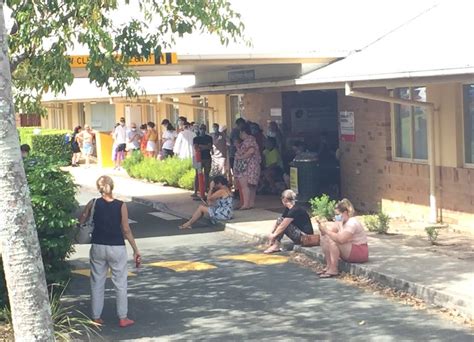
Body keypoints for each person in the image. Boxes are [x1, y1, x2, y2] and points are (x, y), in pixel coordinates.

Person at [79, 175, 140, 327]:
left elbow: (83, 219)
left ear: (99, 187)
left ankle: (96, 316)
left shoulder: (93, 203)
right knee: (120, 283)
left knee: (97, 281)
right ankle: (123, 317)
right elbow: (126, 229)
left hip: (98, 246)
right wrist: (135, 249)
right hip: (117, 247)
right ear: (112, 186)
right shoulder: (121, 205)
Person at [318, 199, 369, 278]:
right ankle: (329, 266)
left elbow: (341, 239)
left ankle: (334, 269)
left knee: (334, 241)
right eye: (335, 215)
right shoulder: (340, 222)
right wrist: (323, 230)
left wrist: (327, 231)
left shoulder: (352, 222)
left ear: (345, 213)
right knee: (325, 238)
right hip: (349, 249)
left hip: (359, 251)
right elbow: (330, 233)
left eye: (338, 214)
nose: (336, 217)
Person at [264, 189, 314, 254]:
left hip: (306, 237)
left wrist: (274, 235)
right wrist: (271, 233)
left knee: (283, 223)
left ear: (284, 200)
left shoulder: (295, 209)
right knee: (280, 220)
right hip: (299, 234)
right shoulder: (288, 209)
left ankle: (276, 245)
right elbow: (280, 220)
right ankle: (274, 244)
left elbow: (283, 225)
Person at [234, 123, 261, 210]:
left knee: (245, 186)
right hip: (253, 165)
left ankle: (246, 204)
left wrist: (240, 157)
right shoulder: (252, 140)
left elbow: (251, 151)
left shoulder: (248, 141)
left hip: (247, 166)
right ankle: (251, 203)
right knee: (251, 186)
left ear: (243, 132)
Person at [192, 124, 213, 198]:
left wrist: (201, 146)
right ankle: (195, 191)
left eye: (203, 129)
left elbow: (210, 147)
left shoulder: (209, 138)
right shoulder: (196, 138)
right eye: (201, 129)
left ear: (205, 129)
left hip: (207, 157)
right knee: (197, 175)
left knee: (207, 174)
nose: (202, 130)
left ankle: (206, 189)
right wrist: (205, 147)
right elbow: (196, 148)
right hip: (198, 158)